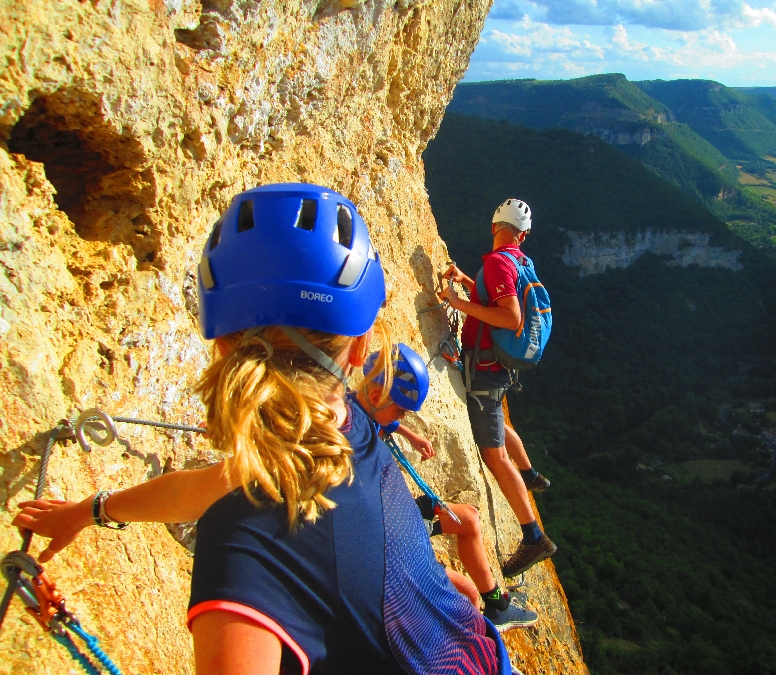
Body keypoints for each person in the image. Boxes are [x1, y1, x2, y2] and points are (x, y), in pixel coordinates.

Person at [14, 184, 516, 675]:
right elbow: (215, 486)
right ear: (361, 351)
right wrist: (92, 510)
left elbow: (226, 492)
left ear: (222, 346)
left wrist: (91, 511)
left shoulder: (243, 553)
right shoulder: (348, 425)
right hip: (479, 652)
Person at [354, 343, 539, 633]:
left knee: (468, 518)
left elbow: (380, 419)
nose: (402, 417)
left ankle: (498, 606)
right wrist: (419, 526)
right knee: (467, 592)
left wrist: (409, 434)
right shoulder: (359, 447)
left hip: (395, 516)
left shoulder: (358, 409)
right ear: (378, 396)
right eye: (401, 412)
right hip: (387, 539)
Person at [438, 199, 556, 579]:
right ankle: (532, 475)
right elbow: (495, 298)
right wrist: (468, 284)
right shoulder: (519, 262)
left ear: (494, 226)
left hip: (486, 370)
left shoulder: (497, 262)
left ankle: (534, 536)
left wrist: (456, 302)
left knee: (494, 455)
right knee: (498, 419)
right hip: (499, 366)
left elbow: (509, 316)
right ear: (522, 235)